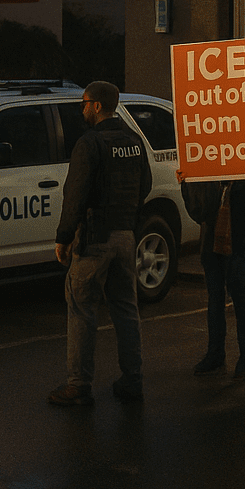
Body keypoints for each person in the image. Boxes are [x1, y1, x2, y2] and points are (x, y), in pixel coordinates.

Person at [47, 80, 152, 406]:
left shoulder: (90, 143)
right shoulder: (134, 141)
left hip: (94, 238)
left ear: (95, 105)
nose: (81, 109)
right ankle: (132, 380)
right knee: (126, 309)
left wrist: (64, 238)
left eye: (83, 103)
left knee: (81, 309)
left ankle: (78, 385)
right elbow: (144, 185)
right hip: (125, 236)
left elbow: (74, 194)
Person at [179, 175, 245, 378]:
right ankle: (215, 354)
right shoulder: (210, 179)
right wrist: (187, 183)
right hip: (212, 246)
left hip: (238, 248)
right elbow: (198, 212)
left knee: (241, 301)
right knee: (215, 300)